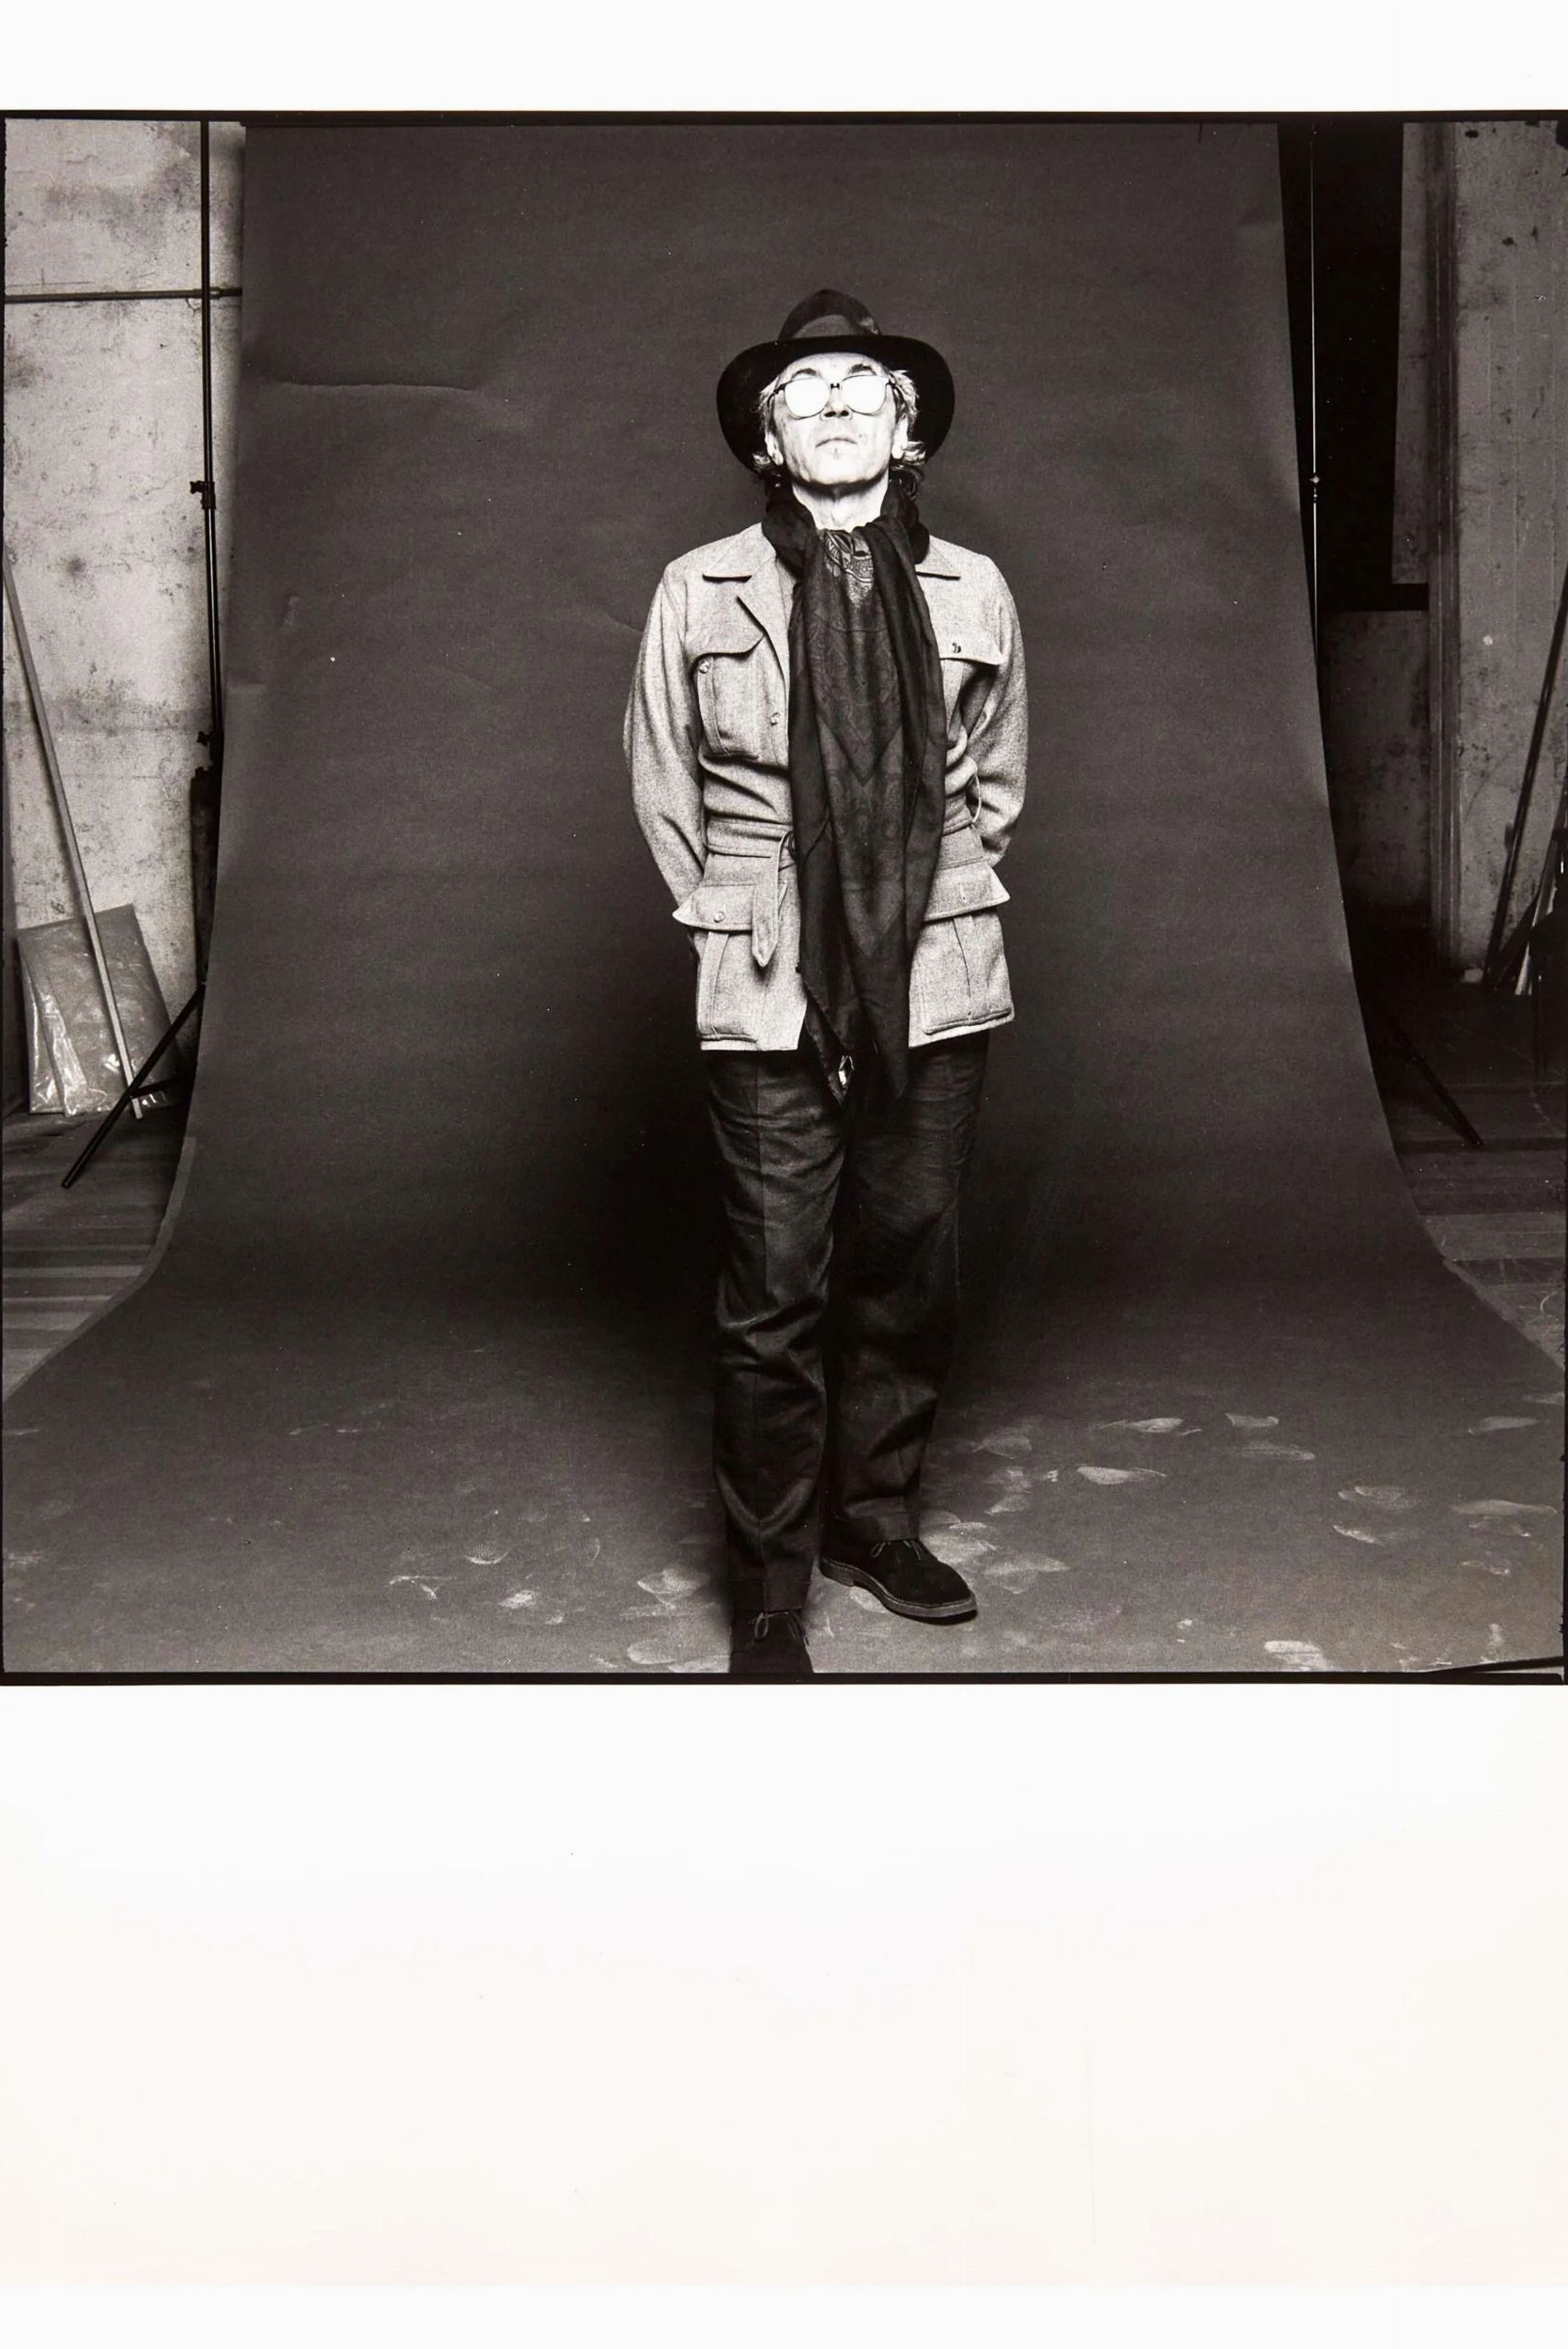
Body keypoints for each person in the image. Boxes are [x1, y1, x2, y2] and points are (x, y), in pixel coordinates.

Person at [625, 290, 1029, 1677]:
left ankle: (874, 1522)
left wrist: (908, 897)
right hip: (766, 977)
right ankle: (769, 1584)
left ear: (904, 429)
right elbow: (665, 786)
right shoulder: (701, 588)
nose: (840, 403)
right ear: (768, 438)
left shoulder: (973, 589)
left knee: (911, 1265)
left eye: (866, 385)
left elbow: (995, 790)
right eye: (807, 391)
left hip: (936, 965)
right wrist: (753, 914)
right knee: (775, 1286)